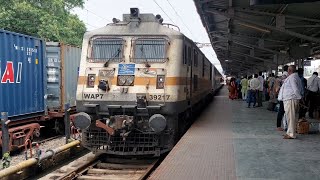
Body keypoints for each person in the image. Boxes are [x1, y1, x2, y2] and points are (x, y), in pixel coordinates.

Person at [278, 65, 302, 139]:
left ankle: (291, 134)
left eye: (288, 70)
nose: (287, 71)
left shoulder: (292, 77)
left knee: (291, 117)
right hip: (289, 99)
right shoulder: (293, 77)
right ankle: (289, 132)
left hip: (291, 99)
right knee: (290, 117)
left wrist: (299, 98)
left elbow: (295, 89)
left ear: (290, 70)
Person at [276, 65, 289, 131]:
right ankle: (283, 126)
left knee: (281, 111)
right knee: (284, 111)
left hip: (282, 96)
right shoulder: (286, 75)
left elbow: (277, 87)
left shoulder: (281, 76)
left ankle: (279, 126)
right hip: (285, 96)